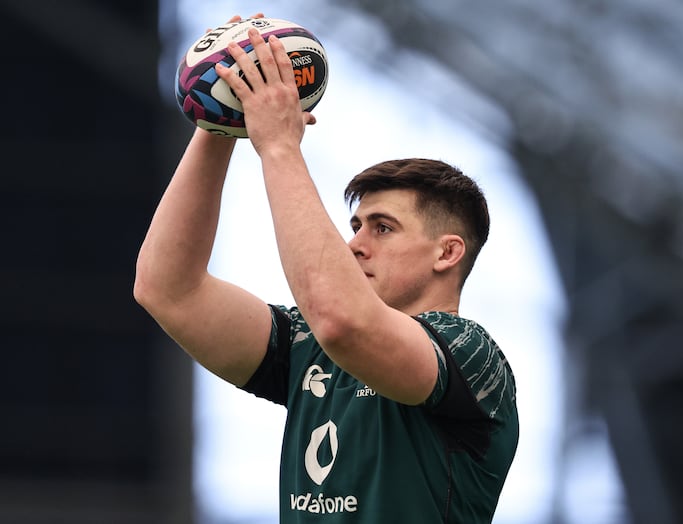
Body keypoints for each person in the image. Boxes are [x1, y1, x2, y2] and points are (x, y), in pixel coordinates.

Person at [134, 15, 518, 523]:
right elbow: (168, 289)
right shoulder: (308, 344)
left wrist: (278, 145)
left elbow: (342, 321)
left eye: (381, 228)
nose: (353, 244)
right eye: (355, 225)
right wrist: (222, 113)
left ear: (447, 253)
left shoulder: (471, 354)